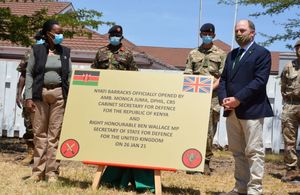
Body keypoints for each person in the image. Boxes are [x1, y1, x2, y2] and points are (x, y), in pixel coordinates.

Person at [91, 25, 154, 192]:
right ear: (109, 36)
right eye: (112, 35)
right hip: (103, 98)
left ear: (121, 38)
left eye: (117, 36)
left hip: (120, 101)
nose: (114, 38)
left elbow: (133, 76)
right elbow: (94, 73)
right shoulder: (100, 52)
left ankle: (119, 172)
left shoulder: (127, 54)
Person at [218, 19, 273, 195]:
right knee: (237, 151)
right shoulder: (231, 55)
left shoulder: (262, 54)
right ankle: (240, 187)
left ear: (252, 32)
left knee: (254, 151)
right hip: (231, 110)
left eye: (242, 30)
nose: (238, 34)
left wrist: (238, 99)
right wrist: (223, 99)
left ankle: (254, 189)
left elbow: (259, 81)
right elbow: (224, 79)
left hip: (252, 110)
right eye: (236, 31)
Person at [24, 19, 72, 183]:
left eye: (61, 32)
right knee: (39, 134)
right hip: (40, 94)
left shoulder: (65, 52)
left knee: (54, 136)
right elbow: (29, 73)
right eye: (57, 33)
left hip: (59, 94)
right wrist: (28, 97)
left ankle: (52, 173)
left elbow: (70, 75)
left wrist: (71, 97)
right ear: (47, 34)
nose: (60, 35)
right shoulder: (36, 50)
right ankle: (37, 172)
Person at [184, 23, 226, 175]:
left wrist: (210, 88)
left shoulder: (221, 54)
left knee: (209, 131)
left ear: (214, 35)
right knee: (193, 129)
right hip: (195, 98)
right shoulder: (193, 53)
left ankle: (206, 162)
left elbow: (223, 77)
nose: (207, 35)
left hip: (212, 98)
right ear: (200, 34)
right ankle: (191, 161)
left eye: (209, 33)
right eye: (204, 33)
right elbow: (188, 74)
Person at [16, 32, 45, 166]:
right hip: (29, 94)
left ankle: (43, 156)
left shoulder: (52, 54)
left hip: (45, 94)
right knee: (29, 125)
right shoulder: (29, 53)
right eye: (37, 39)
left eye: (41, 38)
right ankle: (30, 153)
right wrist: (18, 94)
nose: (39, 41)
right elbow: (22, 75)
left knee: (44, 125)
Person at [280, 40, 300, 182]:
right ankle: (291, 170)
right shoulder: (289, 67)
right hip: (291, 105)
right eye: (298, 47)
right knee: (289, 139)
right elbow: (283, 87)